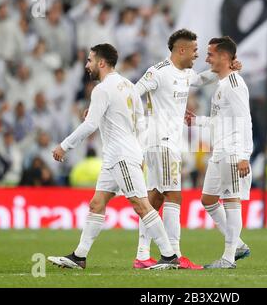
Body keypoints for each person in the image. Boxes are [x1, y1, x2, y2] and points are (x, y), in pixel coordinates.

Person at [47, 43, 179, 270]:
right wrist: (138, 151)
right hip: (118, 155)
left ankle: (169, 256)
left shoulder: (102, 89)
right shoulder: (128, 85)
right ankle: (79, 256)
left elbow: (90, 125)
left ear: (101, 62)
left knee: (141, 204)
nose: (86, 65)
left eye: (89, 60)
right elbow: (139, 121)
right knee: (97, 204)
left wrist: (64, 146)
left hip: (121, 155)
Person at [132, 29, 241, 270]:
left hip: (167, 143)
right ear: (181, 50)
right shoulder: (158, 72)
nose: (197, 55)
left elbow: (202, 79)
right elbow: (133, 93)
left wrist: (229, 67)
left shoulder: (185, 74)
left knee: (156, 196)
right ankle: (175, 255)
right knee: (174, 195)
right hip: (160, 140)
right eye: (194, 50)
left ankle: (142, 254)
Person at [185, 36, 252, 269]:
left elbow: (245, 121)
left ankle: (228, 257)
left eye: (210, 54)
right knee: (208, 199)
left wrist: (245, 154)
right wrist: (197, 122)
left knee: (231, 200)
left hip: (233, 151)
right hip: (220, 150)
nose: (206, 58)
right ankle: (238, 244)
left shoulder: (234, 85)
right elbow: (219, 121)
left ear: (224, 57)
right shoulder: (222, 83)